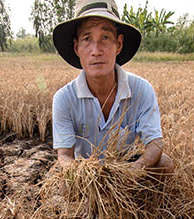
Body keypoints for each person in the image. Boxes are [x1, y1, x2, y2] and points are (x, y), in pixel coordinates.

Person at [52, 0, 173, 178]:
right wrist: (85, 176)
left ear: (119, 44)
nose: (96, 50)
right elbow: (64, 155)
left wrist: (133, 171)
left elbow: (155, 144)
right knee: (64, 180)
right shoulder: (64, 98)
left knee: (164, 163)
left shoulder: (141, 89)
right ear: (77, 47)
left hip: (126, 169)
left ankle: (142, 203)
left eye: (105, 38)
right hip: (88, 173)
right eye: (87, 39)